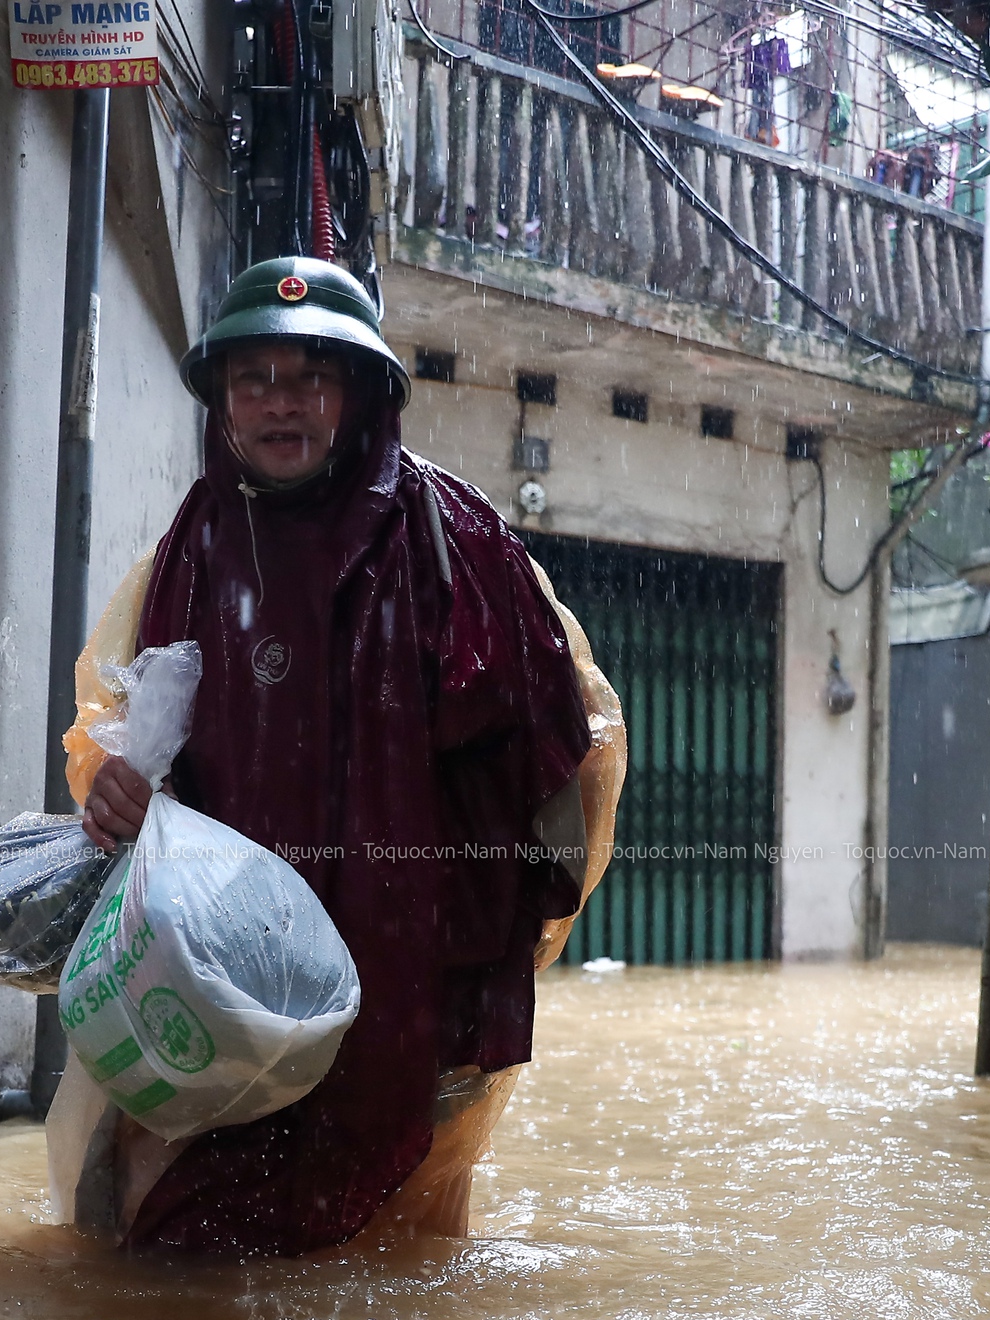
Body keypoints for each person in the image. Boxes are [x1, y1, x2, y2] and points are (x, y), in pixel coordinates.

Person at [59, 257, 622, 1258]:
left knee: (391, 1262)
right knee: (168, 1256)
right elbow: (115, 723)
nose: (282, 404)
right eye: (254, 380)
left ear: (361, 394)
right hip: (216, 986)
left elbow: (577, 757)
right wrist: (113, 791)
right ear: (222, 405)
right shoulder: (184, 557)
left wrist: (494, 943)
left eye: (311, 376)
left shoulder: (463, 546)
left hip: (417, 996)